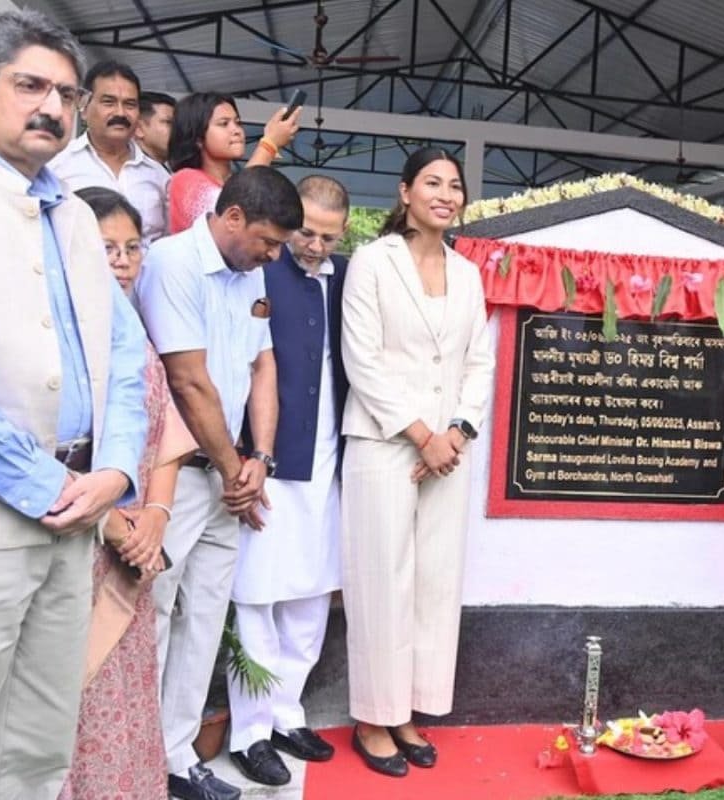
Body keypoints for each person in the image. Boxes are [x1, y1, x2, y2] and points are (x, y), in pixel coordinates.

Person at [0, 10, 148, 797]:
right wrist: (46, 488)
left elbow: (123, 356)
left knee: (38, 748)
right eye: (31, 85)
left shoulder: (74, 211)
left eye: (65, 94)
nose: (51, 107)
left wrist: (113, 471)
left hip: (77, 515)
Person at [135, 166, 303, 800]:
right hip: (172, 478)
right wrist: (239, 475)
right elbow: (188, 381)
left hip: (228, 478)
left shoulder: (249, 268)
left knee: (203, 622)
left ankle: (177, 760)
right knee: (151, 618)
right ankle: (139, 758)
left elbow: (263, 363)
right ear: (233, 217)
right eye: (268, 240)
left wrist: (258, 456)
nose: (274, 254)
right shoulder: (172, 263)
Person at [340, 146, 495, 778]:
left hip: (447, 455)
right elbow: (362, 360)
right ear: (405, 192)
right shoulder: (373, 265)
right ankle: (372, 717)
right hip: (384, 446)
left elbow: (479, 361)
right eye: (432, 182)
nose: (445, 194)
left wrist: (455, 433)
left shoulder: (468, 272)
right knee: (383, 582)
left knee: (435, 582)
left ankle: (409, 710)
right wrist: (420, 433)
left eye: (454, 186)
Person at [60, 187, 196, 800]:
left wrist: (157, 520)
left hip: (135, 551)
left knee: (126, 694)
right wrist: (116, 526)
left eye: (131, 247)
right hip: (72, 544)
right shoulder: (57, 328)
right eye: (104, 246)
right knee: (65, 702)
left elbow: (165, 431)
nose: (119, 260)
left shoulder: (134, 328)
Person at [226, 175, 350, 786]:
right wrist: (250, 457)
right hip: (270, 461)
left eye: (328, 236)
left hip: (330, 464)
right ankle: (249, 733)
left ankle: (286, 713)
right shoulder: (258, 268)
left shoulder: (349, 276)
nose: (314, 247)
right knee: (257, 599)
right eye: (306, 232)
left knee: (309, 602)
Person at [49, 61, 170, 243]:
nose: (120, 113)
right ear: (83, 108)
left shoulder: (159, 176)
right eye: (109, 102)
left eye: (130, 104)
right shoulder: (57, 166)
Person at [167, 92, 300, 234]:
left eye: (237, 122)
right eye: (224, 124)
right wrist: (269, 144)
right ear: (198, 139)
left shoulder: (231, 182)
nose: (236, 130)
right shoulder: (185, 180)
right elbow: (229, 217)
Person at [136, 90, 175, 166]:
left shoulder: (172, 168)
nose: (177, 129)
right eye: (168, 122)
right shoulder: (129, 171)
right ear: (139, 129)